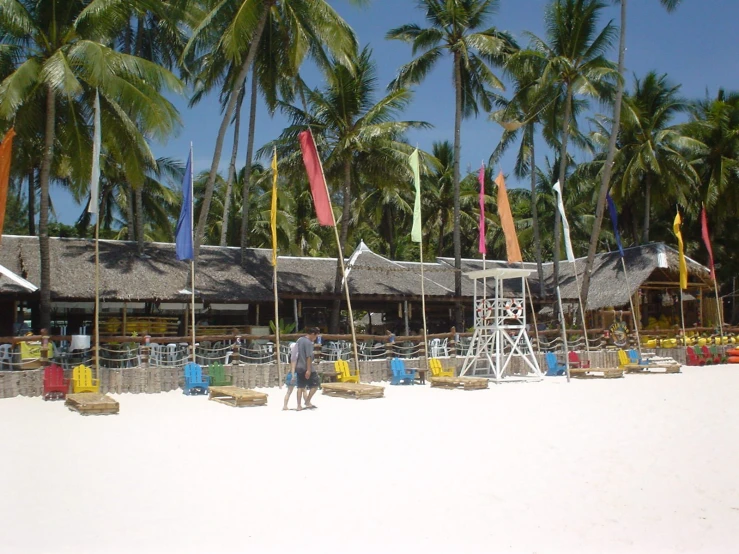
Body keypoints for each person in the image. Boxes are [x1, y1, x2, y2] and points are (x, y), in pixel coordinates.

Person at [295, 327, 320, 410]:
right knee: (316, 384)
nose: (315, 338)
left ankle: (299, 406)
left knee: (300, 387)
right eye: (316, 336)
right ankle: (307, 401)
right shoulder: (308, 343)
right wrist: (308, 370)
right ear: (313, 334)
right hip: (306, 367)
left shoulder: (299, 340)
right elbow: (308, 357)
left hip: (298, 366)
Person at [283, 341, 299, 411]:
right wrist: (293, 376)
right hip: (294, 374)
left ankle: (285, 406)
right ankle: (305, 404)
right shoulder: (294, 356)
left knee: (289, 391)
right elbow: (293, 367)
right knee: (303, 389)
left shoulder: (291, 355)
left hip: (291, 373)